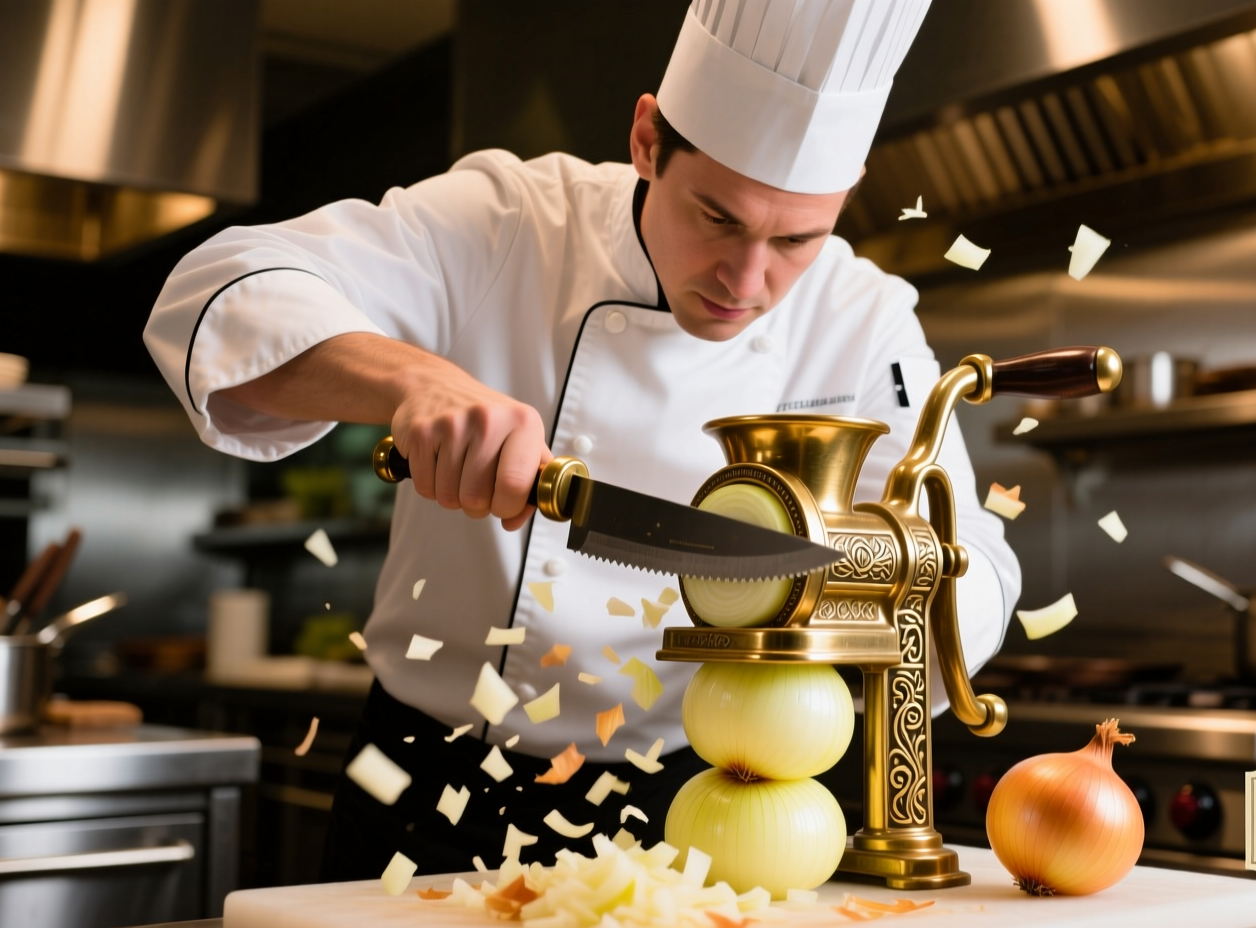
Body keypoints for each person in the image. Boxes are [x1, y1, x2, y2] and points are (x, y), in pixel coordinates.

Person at [144, 0, 1019, 880]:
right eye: (717, 217)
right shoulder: (511, 219)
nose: (747, 281)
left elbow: (972, 552)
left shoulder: (862, 319)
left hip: (705, 806)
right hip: (432, 780)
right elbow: (214, 296)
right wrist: (416, 381)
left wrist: (867, 587)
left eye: (797, 238)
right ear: (647, 139)